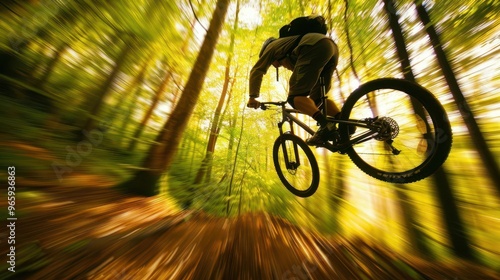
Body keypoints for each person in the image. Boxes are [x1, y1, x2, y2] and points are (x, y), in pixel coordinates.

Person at [247, 32, 343, 146]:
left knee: (294, 98)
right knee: (317, 101)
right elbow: (307, 75)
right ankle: (346, 124)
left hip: (314, 46)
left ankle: (325, 126)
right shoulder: (287, 49)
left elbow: (257, 70)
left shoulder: (271, 47)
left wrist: (252, 97)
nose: (273, 65)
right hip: (330, 48)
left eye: (272, 64)